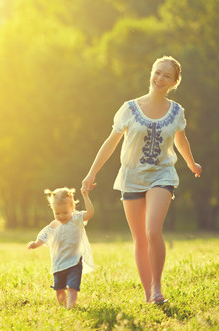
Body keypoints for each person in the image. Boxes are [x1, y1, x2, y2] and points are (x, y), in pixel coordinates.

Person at [81, 55, 202, 305]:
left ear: (174, 82)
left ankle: (158, 288)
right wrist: (92, 172)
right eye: (157, 72)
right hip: (131, 177)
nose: (159, 78)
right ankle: (149, 295)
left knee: (152, 230)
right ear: (151, 73)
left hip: (162, 175)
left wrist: (191, 163)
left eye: (166, 76)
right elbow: (111, 143)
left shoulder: (176, 111)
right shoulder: (129, 108)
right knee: (139, 239)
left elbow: (180, 139)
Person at [27, 187, 95, 309]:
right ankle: (62, 307)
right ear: (53, 210)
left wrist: (86, 196)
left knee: (72, 287)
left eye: (65, 213)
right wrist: (35, 244)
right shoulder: (53, 226)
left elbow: (90, 214)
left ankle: (71, 307)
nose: (61, 216)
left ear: (72, 209)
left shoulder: (76, 219)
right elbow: (43, 237)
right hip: (58, 264)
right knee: (59, 289)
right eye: (57, 213)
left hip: (74, 262)